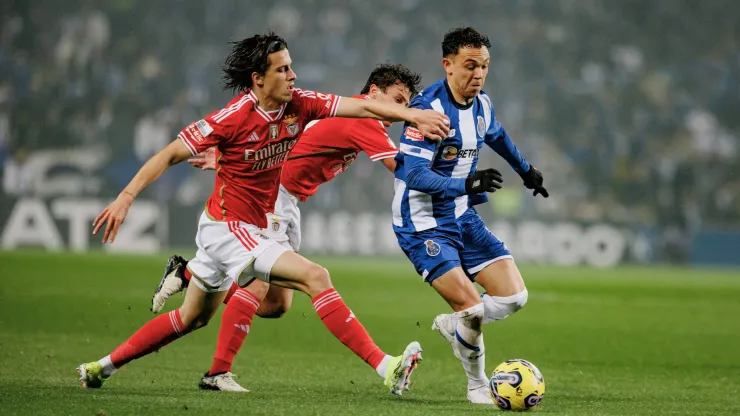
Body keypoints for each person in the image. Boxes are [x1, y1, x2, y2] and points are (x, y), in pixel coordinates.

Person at [76, 32, 450, 396]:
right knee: (315, 277)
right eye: (283, 70)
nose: (293, 76)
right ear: (259, 79)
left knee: (205, 317)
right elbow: (169, 154)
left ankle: (99, 368)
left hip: (248, 225)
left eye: (291, 67)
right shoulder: (231, 117)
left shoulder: (300, 103)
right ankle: (386, 367)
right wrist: (126, 197)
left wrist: (411, 116)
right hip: (229, 228)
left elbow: (364, 107)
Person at [150, 63, 422, 391]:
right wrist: (457, 180)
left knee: (276, 305)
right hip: (273, 196)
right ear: (374, 92)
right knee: (261, 284)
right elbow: (405, 170)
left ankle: (190, 275)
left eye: (407, 104)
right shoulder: (363, 119)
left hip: (288, 201)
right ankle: (218, 372)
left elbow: (285, 137)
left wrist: (229, 159)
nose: (401, 109)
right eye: (397, 99)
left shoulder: (351, 116)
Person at [391, 27, 548, 404]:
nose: (478, 74)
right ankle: (477, 385)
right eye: (470, 65)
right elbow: (410, 172)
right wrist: (467, 184)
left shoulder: (483, 105)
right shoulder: (428, 110)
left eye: (484, 66)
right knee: (472, 308)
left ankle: (455, 324)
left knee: (515, 297)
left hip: (462, 216)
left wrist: (525, 170)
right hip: (423, 222)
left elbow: (497, 135)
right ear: (448, 66)